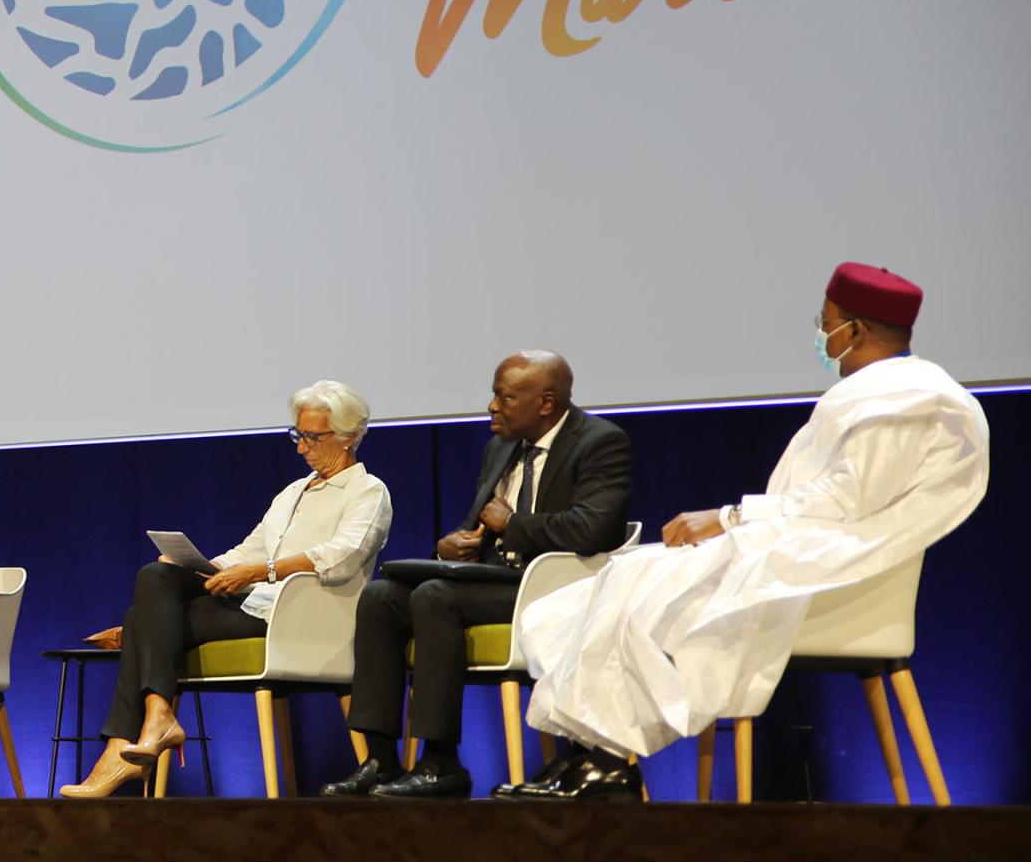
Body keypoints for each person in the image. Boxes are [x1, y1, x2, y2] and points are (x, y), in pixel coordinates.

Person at [503, 262, 991, 801]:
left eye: (825, 322)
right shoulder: (880, 390)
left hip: (839, 563)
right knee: (619, 576)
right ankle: (595, 753)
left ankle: (608, 758)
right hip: (806, 542)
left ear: (853, 329)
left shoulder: (908, 399)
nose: (820, 334)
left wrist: (730, 518)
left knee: (641, 582)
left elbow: (845, 503)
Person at [322, 351, 634, 799]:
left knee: (433, 597)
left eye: (505, 397)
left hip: (554, 588)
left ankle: (440, 761)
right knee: (381, 597)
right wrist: (454, 545)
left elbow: (593, 529)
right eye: (494, 394)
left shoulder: (601, 443)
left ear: (546, 403)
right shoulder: (502, 447)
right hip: (494, 581)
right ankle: (381, 759)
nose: (492, 406)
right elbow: (480, 527)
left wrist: (514, 526)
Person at [60, 380, 393, 799]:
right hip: (251, 605)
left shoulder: (368, 491)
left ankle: (120, 746)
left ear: (347, 438)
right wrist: (201, 566)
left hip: (297, 618)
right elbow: (246, 551)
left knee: (139, 621)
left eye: (312, 437)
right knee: (157, 574)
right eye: (297, 435)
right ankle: (155, 716)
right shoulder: (293, 493)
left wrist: (257, 572)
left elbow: (341, 555)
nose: (301, 447)